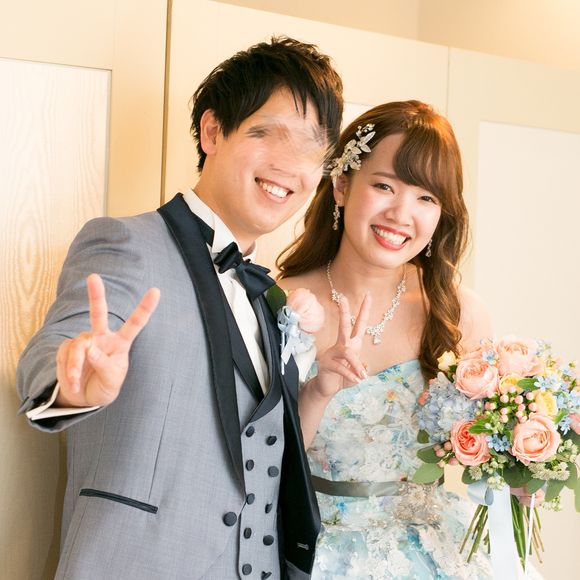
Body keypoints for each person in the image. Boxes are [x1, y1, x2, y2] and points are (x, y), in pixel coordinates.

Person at [16, 37, 343, 579]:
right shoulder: (126, 243)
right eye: (266, 133)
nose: (290, 164)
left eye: (312, 147)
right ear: (213, 132)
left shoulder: (267, 291)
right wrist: (74, 383)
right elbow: (57, 347)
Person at [278, 100, 508, 578]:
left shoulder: (458, 312)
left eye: (427, 197)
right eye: (384, 186)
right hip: (312, 550)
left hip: (431, 552)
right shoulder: (280, 303)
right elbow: (261, 462)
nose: (402, 213)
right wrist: (319, 391)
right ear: (342, 186)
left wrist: (524, 455)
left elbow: (487, 449)